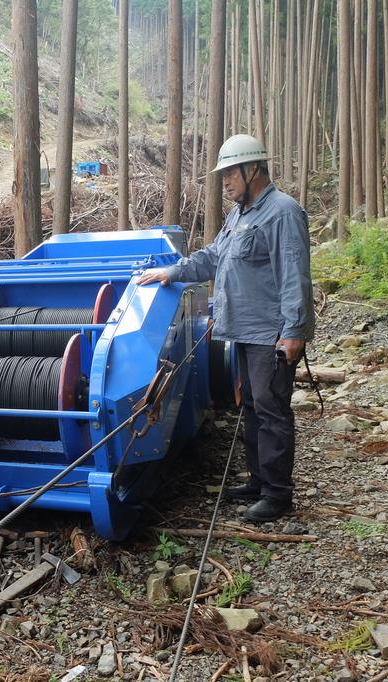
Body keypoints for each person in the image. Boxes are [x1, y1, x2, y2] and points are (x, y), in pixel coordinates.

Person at [138, 134, 314, 522]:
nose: (226, 182)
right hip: (245, 332)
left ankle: (278, 495)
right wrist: (171, 271)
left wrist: (294, 331)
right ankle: (258, 481)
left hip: (271, 333)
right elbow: (212, 257)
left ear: (253, 170)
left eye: (231, 173)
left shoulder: (283, 212)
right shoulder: (240, 214)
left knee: (272, 412)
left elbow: (294, 277)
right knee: (252, 409)